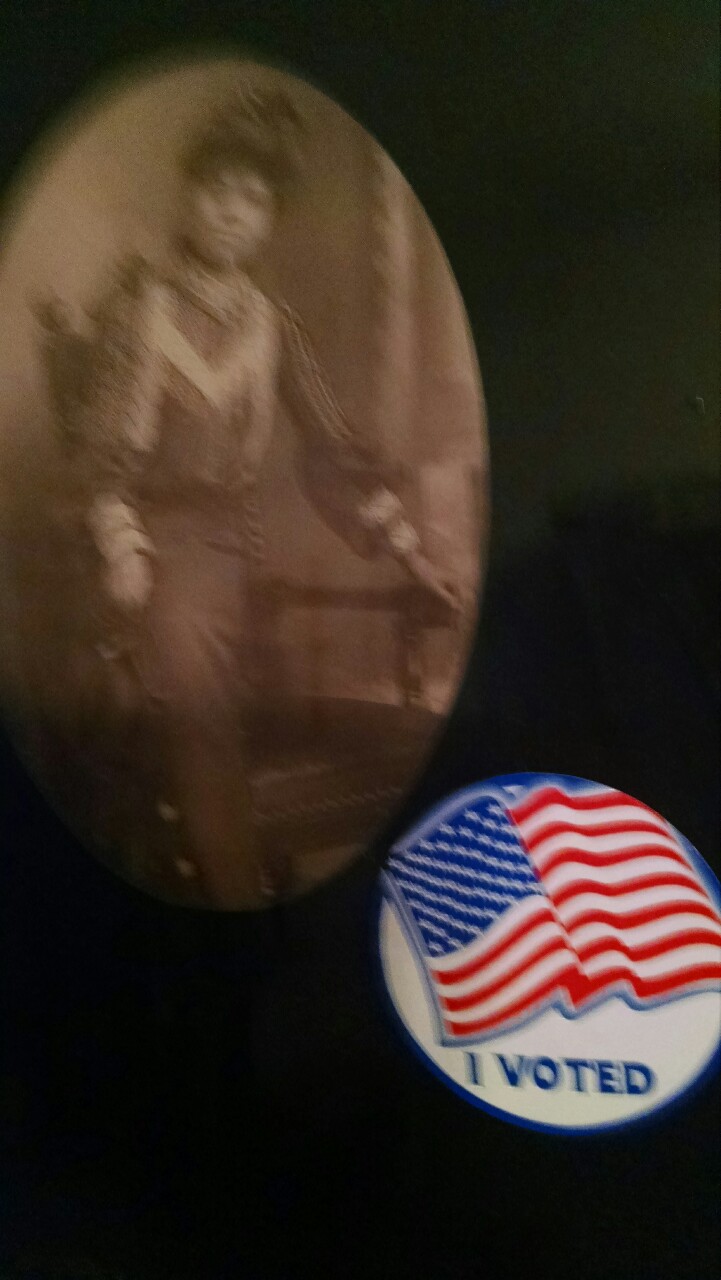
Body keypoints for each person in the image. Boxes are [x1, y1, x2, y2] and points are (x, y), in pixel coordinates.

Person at [36, 86, 462, 910]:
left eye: (253, 199)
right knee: (199, 695)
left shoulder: (273, 324)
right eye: (217, 190)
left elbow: (334, 453)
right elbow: (101, 459)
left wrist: (411, 556)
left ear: (267, 220)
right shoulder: (140, 306)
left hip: (238, 555)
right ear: (189, 198)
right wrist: (122, 549)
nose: (232, 212)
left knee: (266, 690)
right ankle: (237, 904)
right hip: (152, 553)